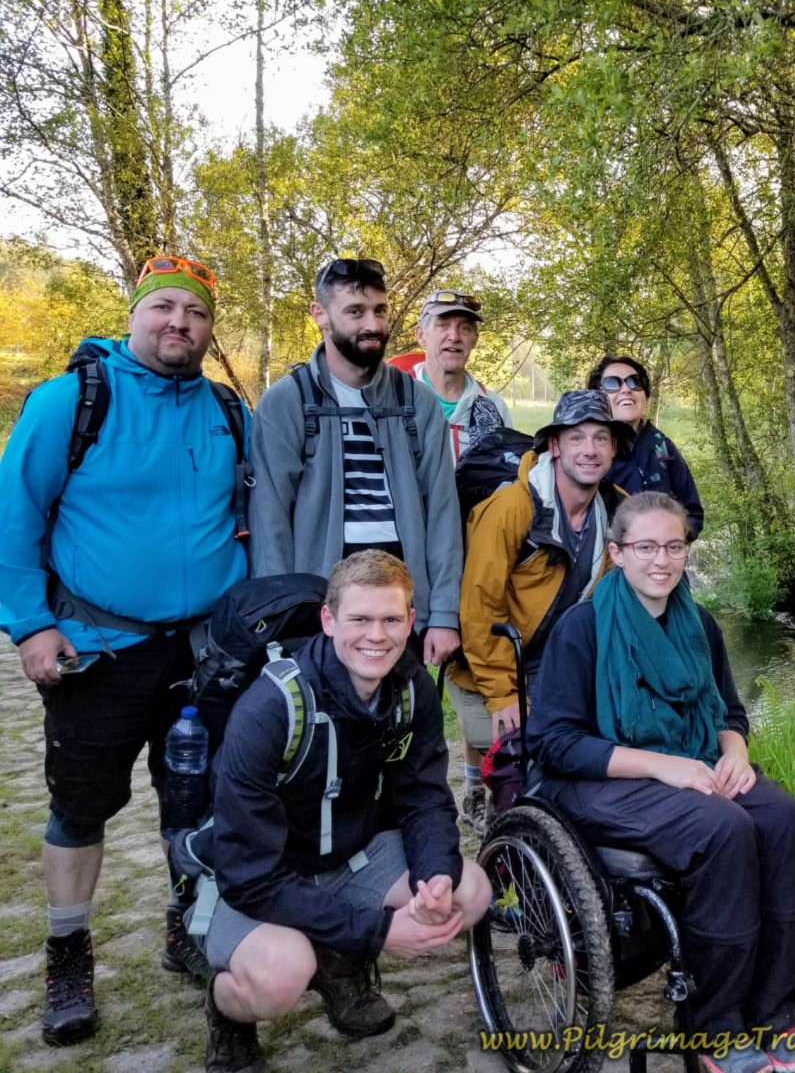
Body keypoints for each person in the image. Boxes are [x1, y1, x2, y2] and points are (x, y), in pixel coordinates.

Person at [0, 256, 249, 1044]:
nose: (179, 323)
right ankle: (68, 954)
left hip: (205, 651)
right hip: (98, 650)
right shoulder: (71, 400)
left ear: (211, 328)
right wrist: (31, 624)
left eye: (196, 312)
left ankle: (187, 924)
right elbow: (14, 517)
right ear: (134, 315)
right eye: (163, 307)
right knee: (80, 808)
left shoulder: (225, 410)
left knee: (202, 802)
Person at [527, 492, 795, 1073]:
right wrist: (661, 765)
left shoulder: (699, 624)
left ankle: (774, 1017)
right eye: (645, 547)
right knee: (723, 829)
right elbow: (554, 743)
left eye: (674, 546)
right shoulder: (582, 627)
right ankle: (713, 1031)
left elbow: (730, 714)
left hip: (691, 762)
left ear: (687, 551)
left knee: (785, 820)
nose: (661, 560)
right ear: (617, 552)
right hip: (593, 779)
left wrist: (734, 750)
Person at [198, 551, 490, 1073]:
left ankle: (338, 964)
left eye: (391, 619)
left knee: (470, 891)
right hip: (259, 876)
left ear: (410, 621)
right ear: (329, 620)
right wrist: (376, 933)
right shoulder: (269, 709)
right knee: (281, 975)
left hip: (349, 855)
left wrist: (434, 875)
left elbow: (423, 796)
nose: (376, 636)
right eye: (359, 619)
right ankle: (228, 1014)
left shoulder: (410, 688)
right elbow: (248, 876)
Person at [247, 258, 462, 670]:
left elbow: (442, 511)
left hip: (403, 595)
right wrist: (278, 616)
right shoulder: (287, 403)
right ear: (320, 315)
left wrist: (444, 615)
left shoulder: (414, 402)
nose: (373, 324)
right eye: (355, 312)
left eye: (380, 310)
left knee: (397, 721)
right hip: (320, 598)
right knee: (323, 722)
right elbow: (270, 520)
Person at [447, 390, 632, 832]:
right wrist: (503, 694)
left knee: (602, 740)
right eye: (576, 438)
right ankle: (507, 820)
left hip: (558, 669)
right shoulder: (512, 508)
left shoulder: (618, 507)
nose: (589, 450)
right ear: (554, 445)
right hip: (491, 668)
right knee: (527, 744)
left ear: (613, 448)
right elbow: (478, 609)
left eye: (601, 439)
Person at [587, 355, 704, 539]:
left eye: (635, 382)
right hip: (606, 564)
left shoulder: (661, 446)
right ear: (596, 397)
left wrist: (670, 541)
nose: (626, 389)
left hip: (661, 564)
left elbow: (693, 513)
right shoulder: (587, 452)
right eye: (612, 383)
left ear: (646, 395)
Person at [390, 288, 513, 462]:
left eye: (465, 328)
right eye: (442, 325)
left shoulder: (494, 406)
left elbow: (508, 476)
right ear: (421, 334)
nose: (454, 336)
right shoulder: (393, 398)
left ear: (475, 339)